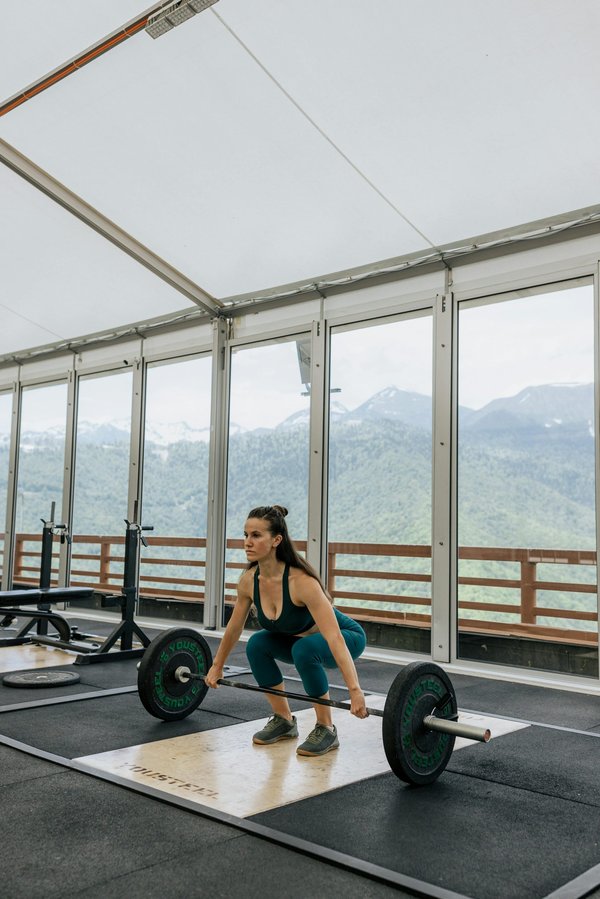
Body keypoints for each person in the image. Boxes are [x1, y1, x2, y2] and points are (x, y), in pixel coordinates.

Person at [205, 505, 368, 757]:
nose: (247, 542)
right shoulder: (249, 581)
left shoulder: (302, 582)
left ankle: (326, 727)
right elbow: (235, 627)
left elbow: (334, 637)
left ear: (276, 540)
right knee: (257, 644)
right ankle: (283, 720)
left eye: (256, 535)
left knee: (304, 649)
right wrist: (217, 665)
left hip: (346, 637)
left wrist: (354, 692)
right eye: (245, 535)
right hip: (300, 641)